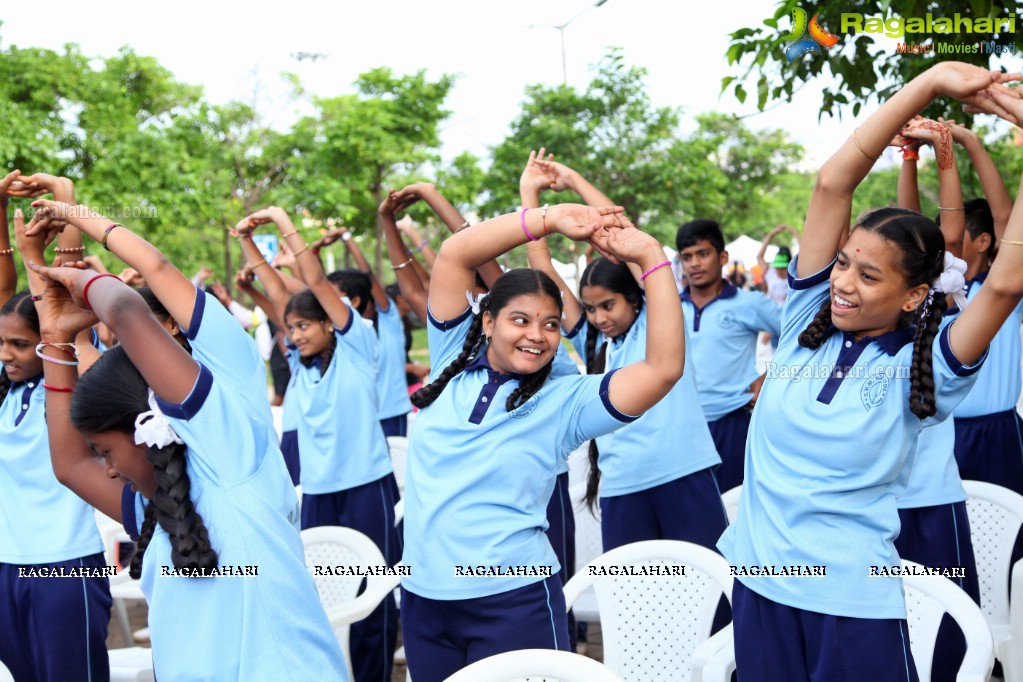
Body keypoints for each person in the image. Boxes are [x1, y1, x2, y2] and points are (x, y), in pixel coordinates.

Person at [717, 61, 1023, 682]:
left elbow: (1008, 283)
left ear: (914, 296)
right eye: (844, 263)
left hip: (851, 604)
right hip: (759, 587)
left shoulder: (930, 360)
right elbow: (833, 183)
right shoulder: (806, 315)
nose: (843, 283)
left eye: (868, 274)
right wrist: (931, 81)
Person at [25, 209, 348, 680]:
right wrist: (54, 337)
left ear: (147, 424)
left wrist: (83, 269)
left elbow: (132, 306)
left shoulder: (230, 453)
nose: (109, 469)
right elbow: (70, 464)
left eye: (109, 453)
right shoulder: (155, 509)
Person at [399, 201, 684, 682]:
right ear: (487, 321)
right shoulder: (451, 355)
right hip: (425, 602)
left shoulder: (565, 399)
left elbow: (662, 369)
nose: (537, 336)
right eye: (520, 320)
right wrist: (547, 219)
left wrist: (651, 257)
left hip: (513, 602)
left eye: (551, 324)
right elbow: (453, 255)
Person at [236, 206, 399, 682]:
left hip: (367, 486)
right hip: (320, 493)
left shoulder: (357, 345)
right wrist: (246, 241)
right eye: (291, 329)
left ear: (331, 323)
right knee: (325, 593)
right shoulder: (302, 364)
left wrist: (283, 222)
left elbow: (311, 282)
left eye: (305, 326)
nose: (296, 335)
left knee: (373, 594)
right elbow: (277, 297)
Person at [0, 175, 112, 682]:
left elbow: (65, 309)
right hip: (7, 566)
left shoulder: (72, 379)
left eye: (20, 346)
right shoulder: (8, 393)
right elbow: (4, 295)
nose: (6, 355)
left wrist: (67, 205)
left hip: (67, 567)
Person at [893, 115, 980, 682]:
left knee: (947, 641)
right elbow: (906, 232)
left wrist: (941, 155)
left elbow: (940, 236)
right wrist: (906, 156)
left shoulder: (942, 323)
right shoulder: (865, 329)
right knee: (890, 635)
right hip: (874, 510)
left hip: (930, 502)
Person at [676, 218, 781, 490]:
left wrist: (773, 374)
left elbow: (802, 336)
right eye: (687, 257)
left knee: (732, 510)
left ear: (722, 257)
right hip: (682, 425)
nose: (695, 263)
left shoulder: (749, 303)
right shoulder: (670, 306)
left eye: (703, 253)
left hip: (733, 423)